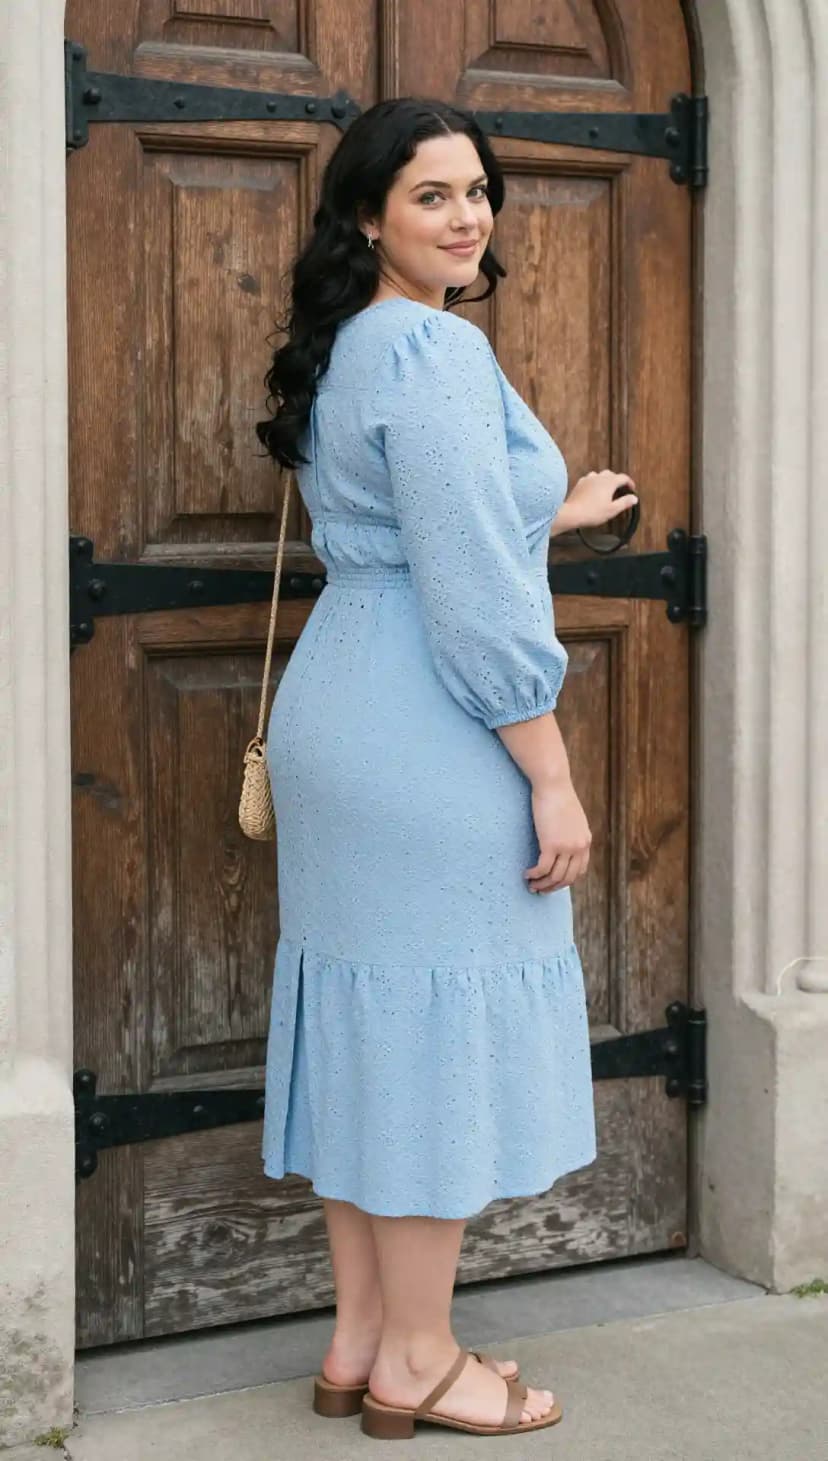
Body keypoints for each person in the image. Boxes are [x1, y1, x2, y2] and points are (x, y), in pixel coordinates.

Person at [255, 95, 637, 1441]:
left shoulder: (347, 348)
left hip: (341, 698)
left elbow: (425, 516)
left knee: (373, 1026)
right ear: (370, 215)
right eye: (433, 194)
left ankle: (360, 1340)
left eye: (479, 190)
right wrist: (548, 768)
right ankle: (423, 1352)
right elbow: (470, 586)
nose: (469, 214)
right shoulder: (437, 355)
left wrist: (551, 505)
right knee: (428, 1041)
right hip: (430, 722)